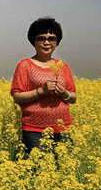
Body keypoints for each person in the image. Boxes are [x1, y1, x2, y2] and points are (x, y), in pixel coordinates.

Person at [10, 17, 77, 159]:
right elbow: (17, 96)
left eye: (51, 38)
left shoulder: (63, 66)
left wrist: (64, 93)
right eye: (41, 38)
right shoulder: (25, 65)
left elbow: (73, 97)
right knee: (38, 173)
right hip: (35, 131)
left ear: (56, 42)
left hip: (64, 129)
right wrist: (41, 91)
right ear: (33, 41)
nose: (47, 42)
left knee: (63, 171)